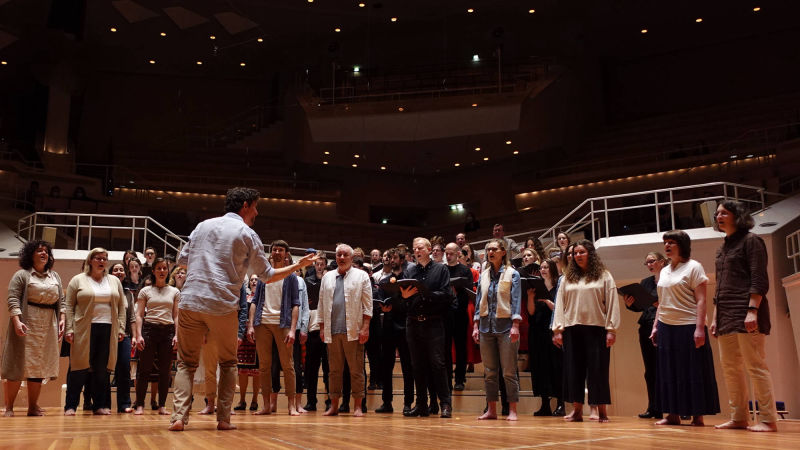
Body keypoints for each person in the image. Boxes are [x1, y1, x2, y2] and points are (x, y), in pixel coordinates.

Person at [168, 187, 315, 431]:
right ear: (245, 205)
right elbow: (267, 275)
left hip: (191, 301)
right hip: (222, 304)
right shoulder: (246, 232)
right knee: (228, 363)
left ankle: (179, 418)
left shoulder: (202, 226)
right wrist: (296, 266)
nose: (256, 212)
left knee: (186, 364)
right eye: (255, 207)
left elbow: (182, 259)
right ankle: (224, 419)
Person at [711, 200, 778, 432]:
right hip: (725, 316)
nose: (718, 216)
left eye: (724, 212)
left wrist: (752, 310)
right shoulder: (722, 248)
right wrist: (714, 318)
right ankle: (739, 417)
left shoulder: (752, 241)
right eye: (717, 213)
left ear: (737, 215)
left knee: (755, 366)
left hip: (747, 312)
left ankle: (768, 419)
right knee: (730, 368)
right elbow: (720, 287)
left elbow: (759, 278)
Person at [649, 230, 719, 426]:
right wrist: (655, 327)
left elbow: (701, 300)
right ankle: (672, 414)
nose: (667, 246)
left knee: (692, 370)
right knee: (669, 371)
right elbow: (662, 302)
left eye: (672, 242)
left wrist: (699, 328)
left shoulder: (694, 267)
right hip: (666, 327)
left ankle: (697, 416)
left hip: (688, 326)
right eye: (665, 242)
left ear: (682, 245)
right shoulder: (663, 270)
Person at [551, 239, 620, 423]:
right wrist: (557, 329)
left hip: (597, 329)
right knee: (574, 371)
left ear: (590, 253)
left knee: (598, 370)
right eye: (575, 253)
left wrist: (611, 329)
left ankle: (602, 411)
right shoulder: (566, 277)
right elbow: (560, 305)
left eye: (581, 252)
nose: (577, 256)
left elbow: (612, 302)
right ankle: (577, 411)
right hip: (572, 329)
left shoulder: (604, 275)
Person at [2, 240, 65, 417]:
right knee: (17, 365)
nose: (44, 253)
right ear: (31, 255)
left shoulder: (55, 277)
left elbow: (62, 300)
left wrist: (62, 318)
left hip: (47, 325)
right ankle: (9, 408)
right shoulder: (22, 275)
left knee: (39, 366)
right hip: (26, 322)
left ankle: (33, 406)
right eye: (39, 251)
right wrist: (16, 322)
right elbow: (13, 299)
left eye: (46, 251)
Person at [64, 248, 127, 416]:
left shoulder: (114, 281)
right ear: (90, 260)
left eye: (105, 258)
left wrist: (121, 328)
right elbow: (68, 306)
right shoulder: (78, 280)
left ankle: (98, 405)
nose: (102, 261)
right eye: (98, 258)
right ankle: (70, 405)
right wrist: (69, 329)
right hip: (84, 329)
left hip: (108, 328)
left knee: (102, 370)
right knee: (78, 368)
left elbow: (122, 307)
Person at [245, 240, 302, 416]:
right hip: (262, 324)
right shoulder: (263, 276)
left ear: (286, 254)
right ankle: (266, 405)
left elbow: (295, 304)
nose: (277, 252)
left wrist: (293, 330)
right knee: (264, 366)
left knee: (288, 365)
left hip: (283, 324)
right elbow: (254, 301)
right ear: (271, 253)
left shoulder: (291, 276)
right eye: (274, 249)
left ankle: (292, 405)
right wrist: (251, 325)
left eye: (281, 250)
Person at [317, 244, 372, 417]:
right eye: (339, 254)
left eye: (345, 255)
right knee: (333, 371)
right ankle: (334, 405)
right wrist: (322, 327)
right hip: (332, 332)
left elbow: (368, 305)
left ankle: (357, 406)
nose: (341, 257)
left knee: (356, 370)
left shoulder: (361, 276)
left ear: (351, 257)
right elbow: (321, 303)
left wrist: (365, 327)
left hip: (353, 331)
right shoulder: (327, 277)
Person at [400, 237, 452, 418]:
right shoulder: (410, 269)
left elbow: (447, 295)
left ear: (429, 249)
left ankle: (445, 403)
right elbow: (403, 296)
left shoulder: (441, 268)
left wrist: (427, 294)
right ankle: (421, 404)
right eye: (414, 249)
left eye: (420, 248)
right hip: (413, 322)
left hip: (433, 322)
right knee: (417, 365)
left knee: (438, 364)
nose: (416, 251)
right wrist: (404, 296)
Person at [473, 239, 522, 421]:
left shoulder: (512, 274)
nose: (490, 252)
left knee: (509, 372)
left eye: (494, 249)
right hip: (486, 327)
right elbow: (479, 302)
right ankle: (491, 409)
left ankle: (512, 410)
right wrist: (476, 325)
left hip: (506, 327)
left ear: (503, 252)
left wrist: (516, 325)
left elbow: (516, 300)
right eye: (488, 249)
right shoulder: (484, 275)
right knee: (490, 371)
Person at [132, 258, 180, 415]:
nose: (162, 271)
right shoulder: (145, 291)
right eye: (158, 268)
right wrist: (138, 335)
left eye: (164, 268)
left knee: (165, 371)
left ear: (168, 271)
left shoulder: (174, 292)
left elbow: (176, 316)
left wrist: (176, 335)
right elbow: (138, 315)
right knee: (144, 369)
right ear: (153, 271)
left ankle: (162, 406)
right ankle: (139, 405)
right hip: (149, 330)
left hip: (167, 332)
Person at [623, 252, 666, 420]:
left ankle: (675, 407)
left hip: (665, 325)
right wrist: (630, 304)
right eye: (646, 262)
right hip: (646, 326)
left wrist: (658, 303)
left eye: (652, 261)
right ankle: (654, 407)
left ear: (662, 262)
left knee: (668, 368)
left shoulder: (668, 278)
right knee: (650, 370)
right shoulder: (646, 282)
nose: (649, 265)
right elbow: (641, 306)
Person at [375, 248, 415, 414]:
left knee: (407, 366)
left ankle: (407, 403)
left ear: (402, 259)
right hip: (389, 324)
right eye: (390, 257)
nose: (391, 260)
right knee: (386, 365)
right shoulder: (385, 280)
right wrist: (383, 307)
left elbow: (413, 301)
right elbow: (381, 299)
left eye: (395, 258)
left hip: (405, 324)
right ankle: (387, 402)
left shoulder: (409, 278)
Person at [528, 258, 564, 416]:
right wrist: (530, 297)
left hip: (552, 331)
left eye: (546, 267)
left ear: (552, 270)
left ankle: (561, 404)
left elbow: (562, 309)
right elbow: (531, 312)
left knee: (556, 367)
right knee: (540, 368)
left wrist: (550, 303)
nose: (542, 270)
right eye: (541, 267)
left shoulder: (559, 286)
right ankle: (545, 404)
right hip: (537, 330)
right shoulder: (536, 287)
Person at [303, 253, 330, 412]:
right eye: (317, 264)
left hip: (327, 331)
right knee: (311, 369)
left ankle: (328, 401)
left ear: (326, 264)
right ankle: (311, 401)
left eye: (322, 264)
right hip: (313, 328)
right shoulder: (308, 282)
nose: (319, 266)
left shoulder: (330, 281)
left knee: (328, 369)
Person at [445, 242, 472, 391]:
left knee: (461, 347)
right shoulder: (442, 269)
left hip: (460, 313)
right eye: (446, 254)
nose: (448, 256)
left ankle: (460, 379)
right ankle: (447, 379)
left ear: (457, 254)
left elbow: (468, 292)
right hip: (446, 314)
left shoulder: (464, 270)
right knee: (445, 348)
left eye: (451, 253)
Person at [110, 262, 136, 413]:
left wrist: (133, 336)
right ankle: (103, 403)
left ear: (125, 274)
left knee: (124, 369)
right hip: (107, 334)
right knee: (103, 370)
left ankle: (124, 404)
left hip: (124, 336)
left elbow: (132, 316)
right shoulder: (105, 289)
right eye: (115, 270)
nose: (119, 272)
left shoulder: (129, 294)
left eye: (121, 270)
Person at [235, 274, 261, 411]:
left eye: (256, 279)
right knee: (242, 369)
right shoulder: (244, 297)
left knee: (257, 370)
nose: (254, 281)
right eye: (252, 280)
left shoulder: (263, 297)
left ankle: (255, 400)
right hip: (243, 334)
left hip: (258, 333)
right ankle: (242, 400)